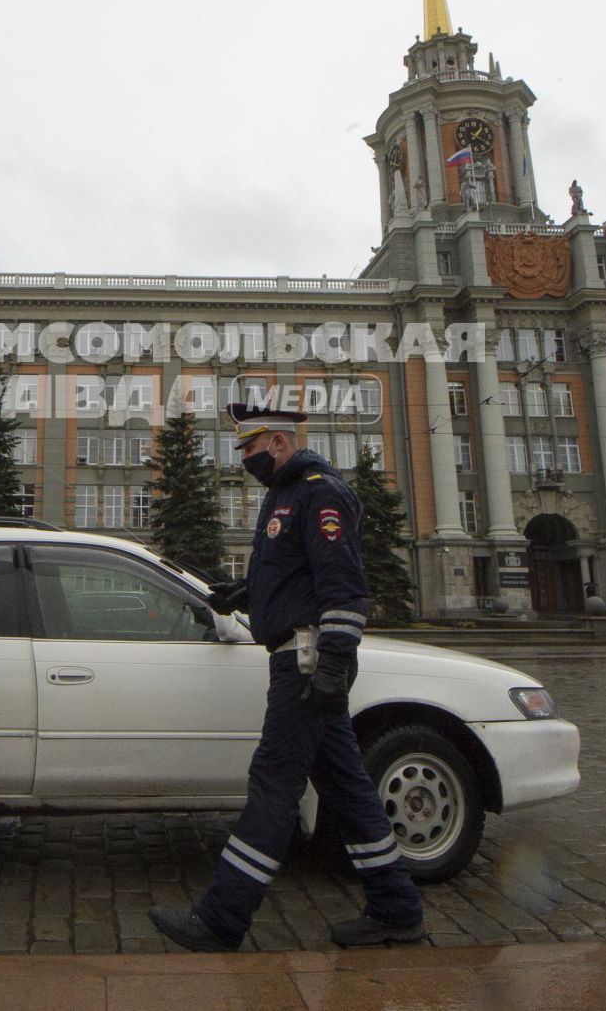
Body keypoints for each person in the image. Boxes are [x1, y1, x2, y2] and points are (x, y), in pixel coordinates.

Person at [150, 403, 425, 952]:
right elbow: (290, 570)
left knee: (274, 784)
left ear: (276, 442)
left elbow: (342, 587)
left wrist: (335, 662)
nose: (243, 460)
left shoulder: (320, 492)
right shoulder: (283, 493)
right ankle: (396, 908)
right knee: (347, 788)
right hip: (295, 654)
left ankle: (222, 919)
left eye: (249, 449)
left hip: (306, 658)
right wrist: (245, 593)